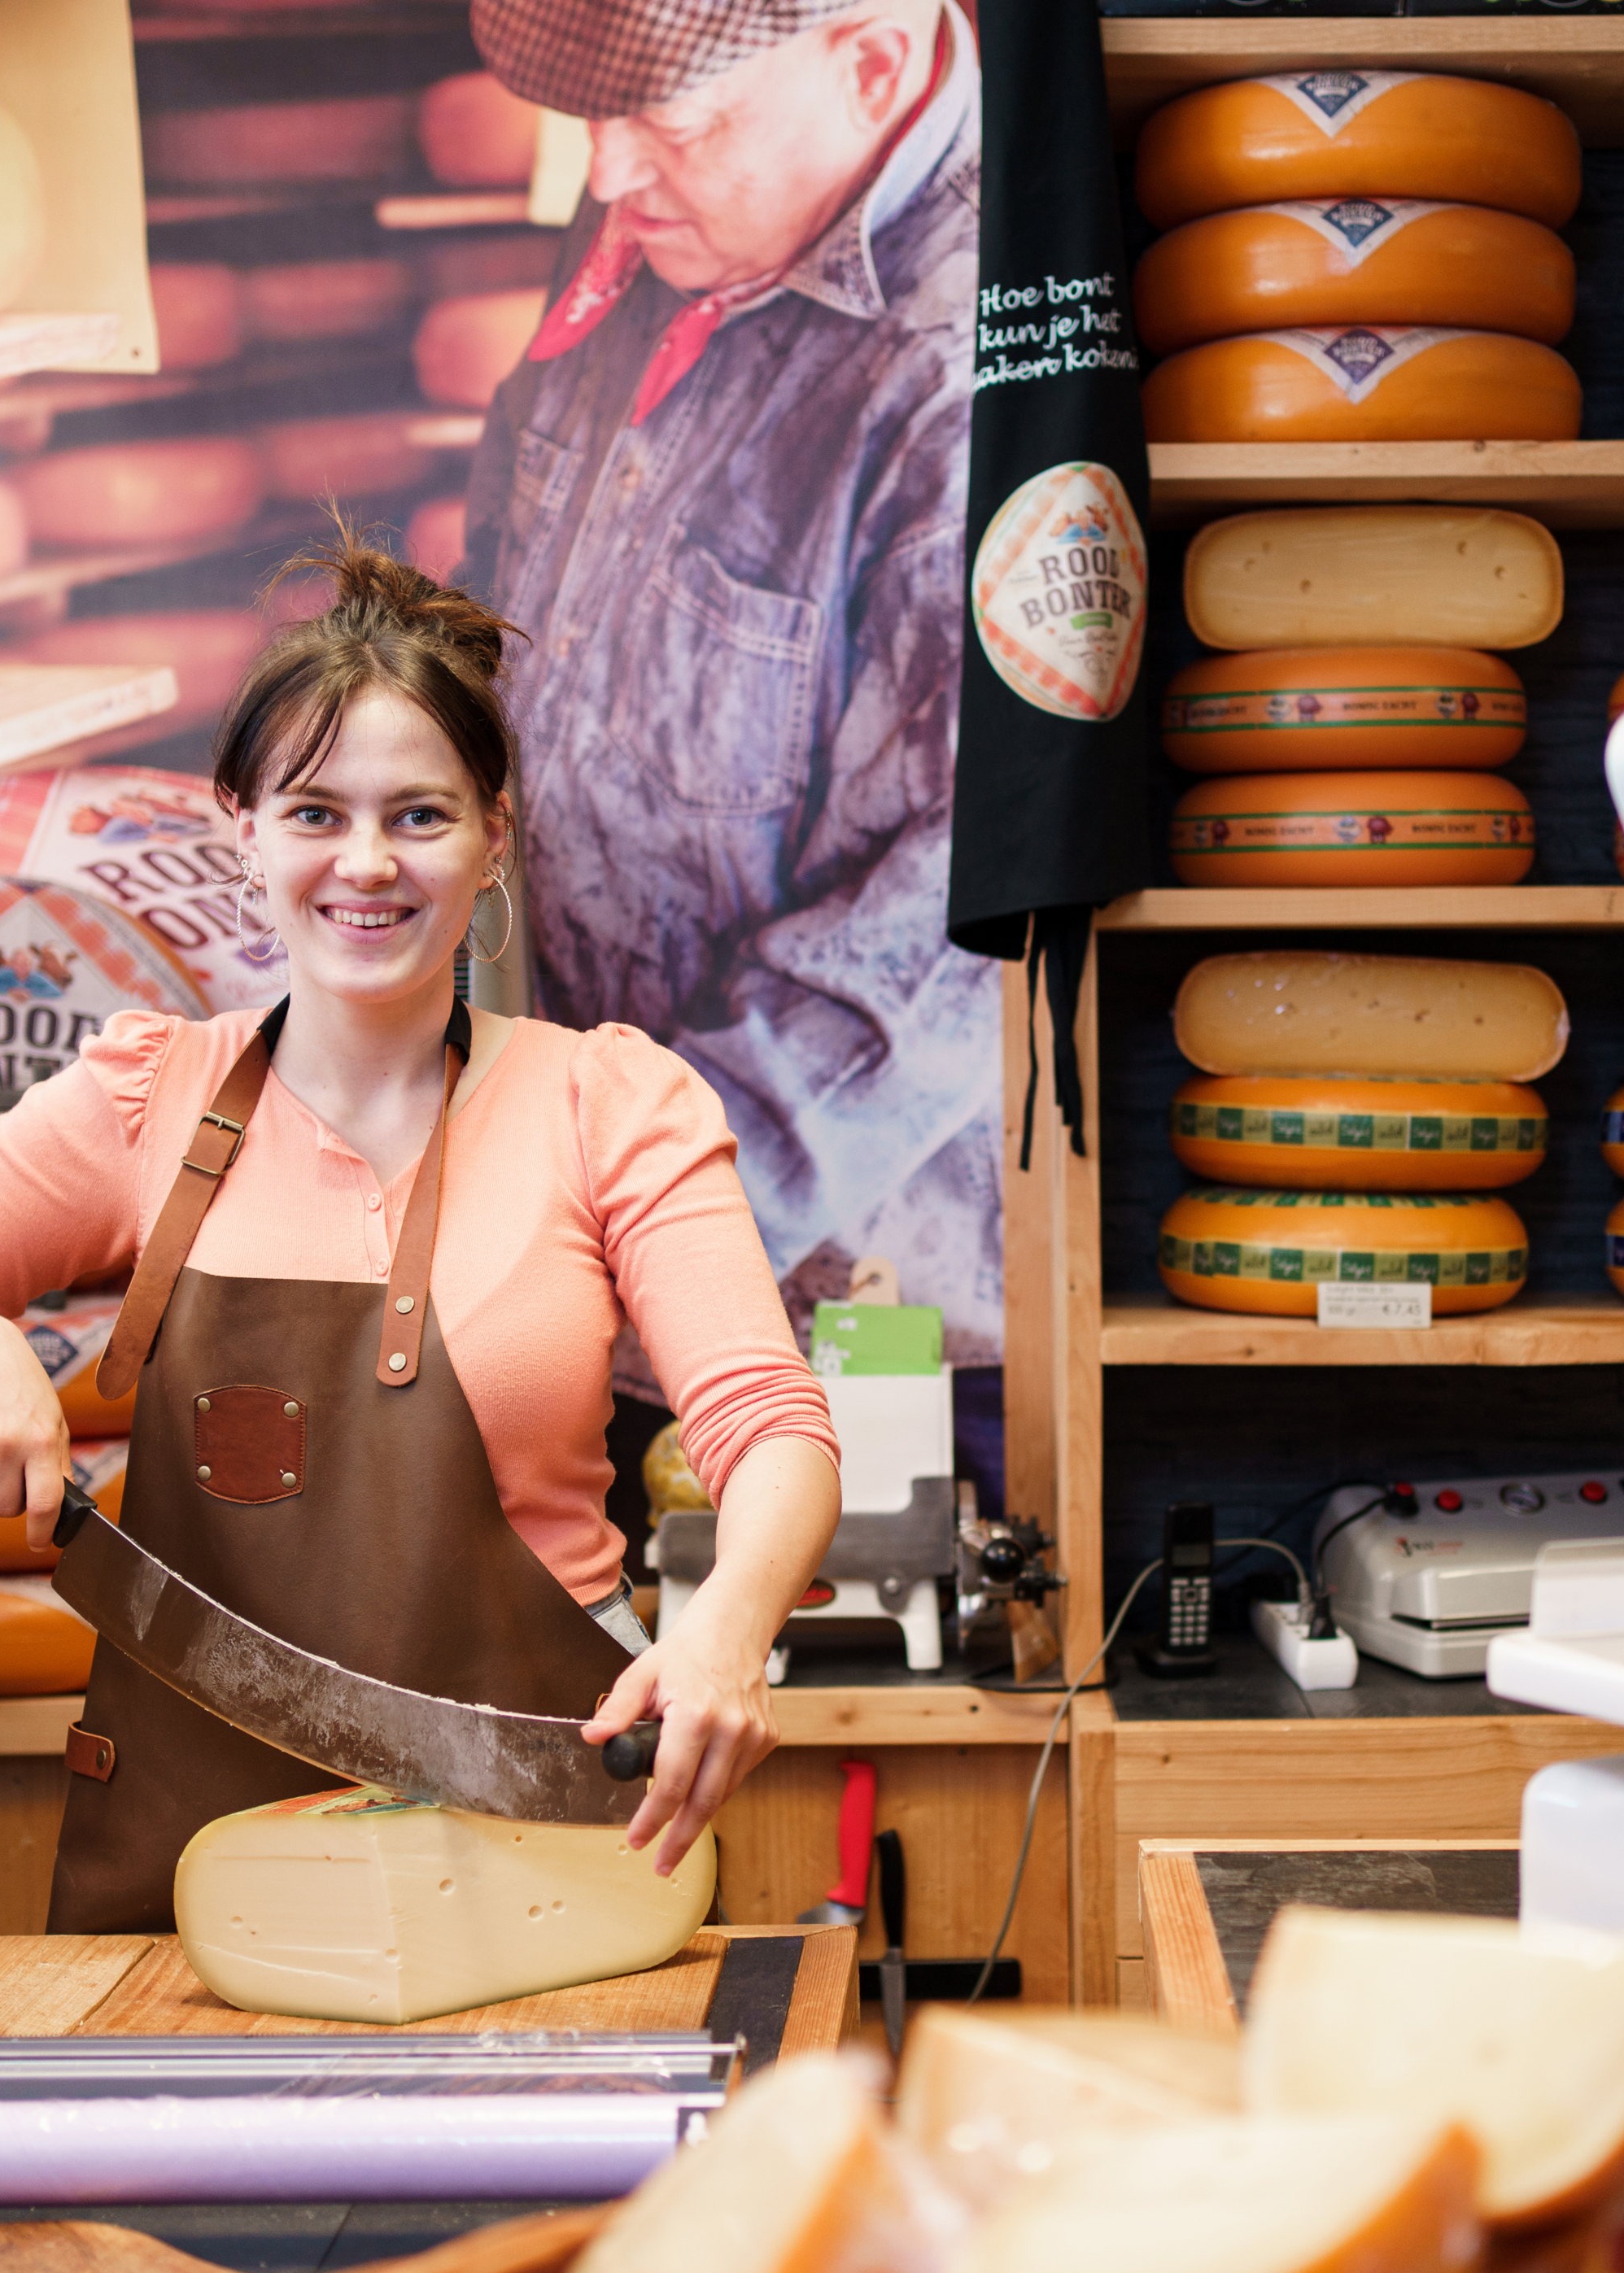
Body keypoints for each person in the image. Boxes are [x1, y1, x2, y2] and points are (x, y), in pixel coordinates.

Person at [0, 539, 842, 1932]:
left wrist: (726, 1626)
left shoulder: (609, 1102)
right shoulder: (144, 1097)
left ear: (493, 839)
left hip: (531, 1851)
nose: (367, 864)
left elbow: (769, 1420)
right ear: (243, 830)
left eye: (420, 816)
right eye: (315, 813)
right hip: (199, 1867)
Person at [458, 0, 998, 1370]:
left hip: (836, 1322)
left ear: (871, 63)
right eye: (592, 118)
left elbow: (963, 921)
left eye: (670, 124)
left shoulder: (974, 362)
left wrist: (640, 1226)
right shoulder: (683, 220)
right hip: (560, 1274)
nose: (606, 176)